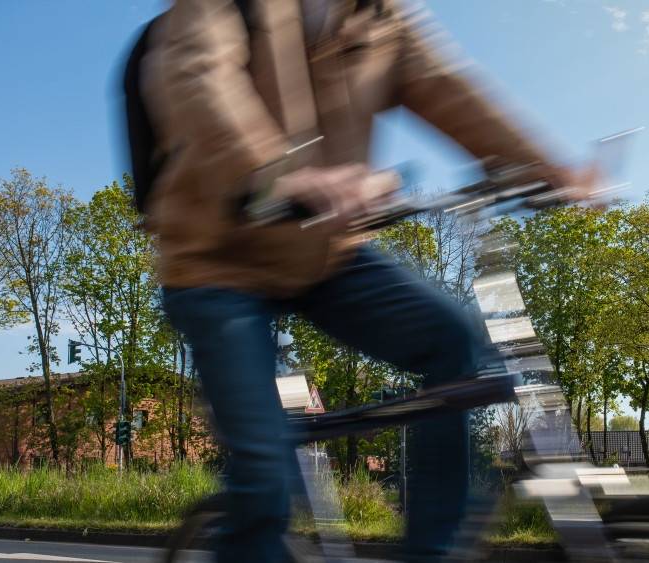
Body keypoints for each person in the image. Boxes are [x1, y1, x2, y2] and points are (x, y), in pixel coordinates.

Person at [141, 1, 596, 561]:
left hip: (324, 257)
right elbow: (195, 77)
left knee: (454, 344)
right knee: (264, 473)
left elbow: (450, 89)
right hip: (215, 261)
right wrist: (281, 171)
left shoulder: (382, 18)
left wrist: (549, 169)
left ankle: (434, 549)